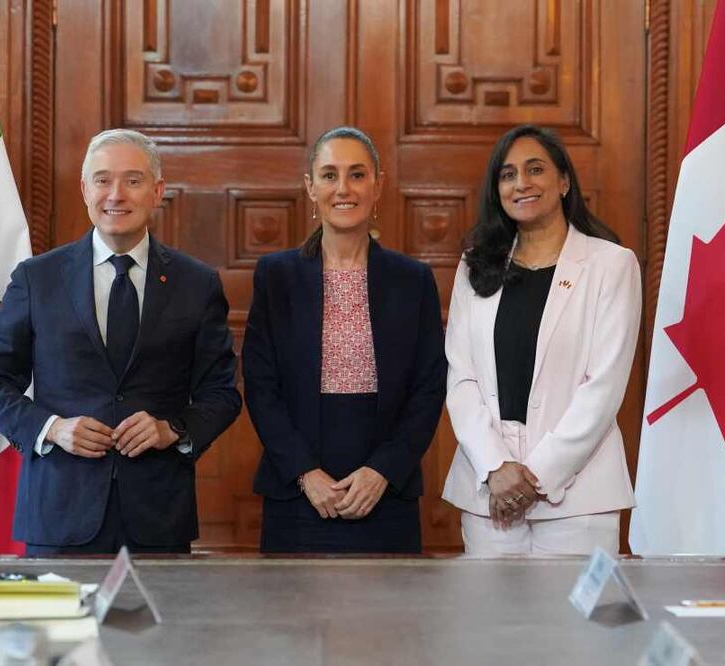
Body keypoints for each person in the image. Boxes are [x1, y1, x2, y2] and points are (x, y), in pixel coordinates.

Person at [0, 128, 241, 555]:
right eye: (103, 180)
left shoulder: (196, 283)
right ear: (84, 190)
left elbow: (221, 394)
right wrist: (52, 429)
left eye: (133, 181)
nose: (116, 194)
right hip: (59, 514)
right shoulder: (37, 278)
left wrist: (172, 429)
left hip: (156, 518)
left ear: (157, 192)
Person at [243, 126, 447, 553]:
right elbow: (261, 387)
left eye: (357, 175)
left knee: (386, 619)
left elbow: (428, 388)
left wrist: (382, 471)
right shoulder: (276, 276)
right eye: (330, 175)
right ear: (311, 187)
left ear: (378, 185)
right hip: (298, 495)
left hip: (386, 492)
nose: (343, 189)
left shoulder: (413, 280)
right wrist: (305, 473)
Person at [442, 124, 641, 556]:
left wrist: (536, 476)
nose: (522, 183)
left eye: (535, 170)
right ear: (497, 190)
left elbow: (603, 387)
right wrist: (496, 467)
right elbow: (461, 378)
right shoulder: (475, 266)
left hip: (578, 498)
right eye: (508, 174)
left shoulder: (611, 265)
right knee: (491, 625)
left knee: (573, 626)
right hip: (488, 494)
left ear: (564, 181)